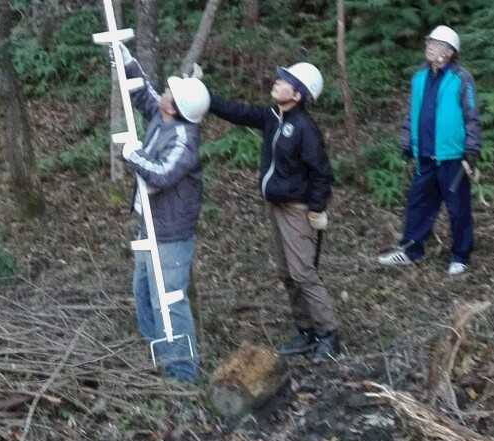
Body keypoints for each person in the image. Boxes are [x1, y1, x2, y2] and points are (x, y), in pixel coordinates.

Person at [205, 62, 338, 361]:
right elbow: (238, 112)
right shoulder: (272, 117)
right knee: (286, 273)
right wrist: (205, 96)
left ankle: (329, 334)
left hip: (298, 210)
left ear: (298, 95)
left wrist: (317, 208)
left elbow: (321, 172)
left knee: (302, 273)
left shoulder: (305, 128)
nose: (277, 82)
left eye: (285, 80)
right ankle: (305, 330)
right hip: (276, 207)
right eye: (279, 78)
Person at [116, 43, 210, 384]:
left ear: (176, 107)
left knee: (169, 301)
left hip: (170, 234)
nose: (164, 93)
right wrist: (127, 62)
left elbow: (162, 174)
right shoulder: (164, 115)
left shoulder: (184, 139)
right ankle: (157, 351)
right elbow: (144, 95)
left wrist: (133, 155)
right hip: (150, 225)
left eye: (169, 92)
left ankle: (181, 371)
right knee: (143, 292)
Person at [377, 24, 481, 276]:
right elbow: (412, 113)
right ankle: (410, 250)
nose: (429, 47)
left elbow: (472, 116)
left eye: (436, 44)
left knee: (458, 208)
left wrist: (471, 150)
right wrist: (407, 142)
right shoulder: (419, 78)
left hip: (452, 156)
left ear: (449, 52)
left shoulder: (461, 78)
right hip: (424, 154)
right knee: (418, 204)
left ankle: (461, 256)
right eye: (429, 43)